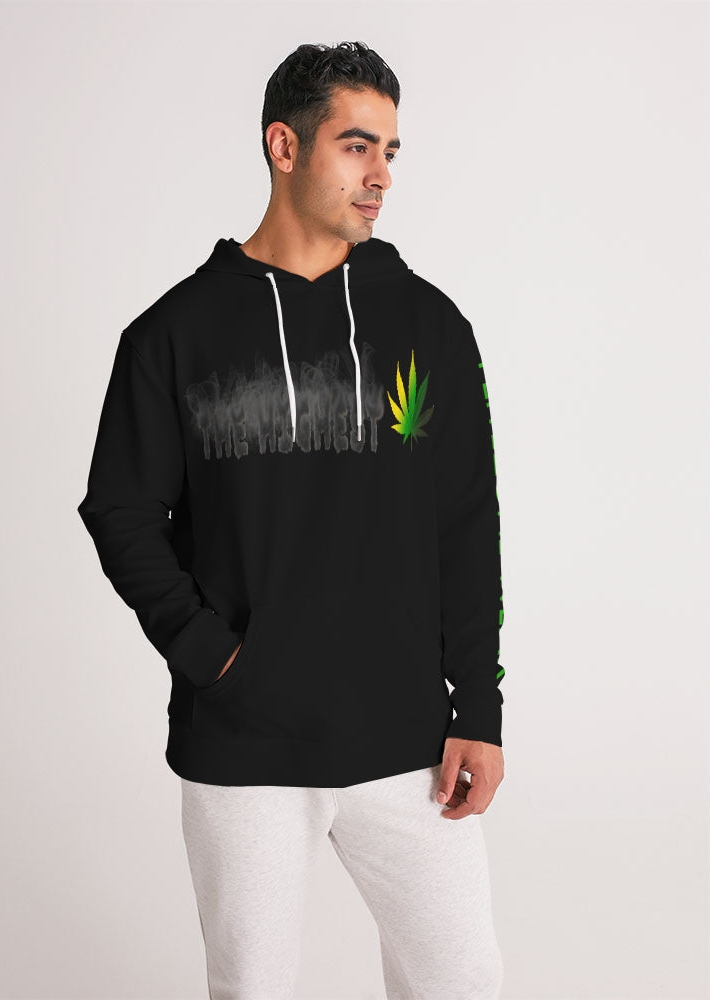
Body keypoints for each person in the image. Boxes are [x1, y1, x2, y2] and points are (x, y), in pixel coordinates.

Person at [77, 39, 506, 1000]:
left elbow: (465, 523)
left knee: (464, 980)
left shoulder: (430, 327)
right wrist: (212, 656)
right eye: (357, 146)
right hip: (245, 746)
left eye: (391, 151)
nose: (381, 175)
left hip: (407, 743)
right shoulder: (173, 335)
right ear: (284, 145)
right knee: (253, 989)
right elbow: (121, 511)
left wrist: (477, 708)